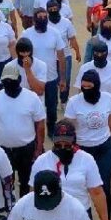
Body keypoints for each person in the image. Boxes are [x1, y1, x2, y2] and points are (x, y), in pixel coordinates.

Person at [29, 120, 110, 220]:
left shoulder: (86, 160)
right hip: (50, 218)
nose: (62, 148)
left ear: (74, 141)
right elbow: (33, 194)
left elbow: (97, 193)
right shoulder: (41, 161)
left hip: (80, 217)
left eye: (67, 145)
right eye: (58, 145)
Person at [0, 63, 45, 199]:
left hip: (26, 149)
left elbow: (40, 124)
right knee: (5, 182)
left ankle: (22, 206)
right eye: (6, 81)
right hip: (3, 150)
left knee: (25, 182)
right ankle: (8, 207)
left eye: (12, 80)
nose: (9, 83)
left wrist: (39, 147)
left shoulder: (32, 98)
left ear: (19, 79)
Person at [65, 70, 111, 220]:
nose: (86, 90)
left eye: (90, 86)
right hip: (82, 149)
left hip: (104, 148)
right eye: (83, 87)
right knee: (80, 188)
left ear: (97, 86)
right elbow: (69, 128)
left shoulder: (108, 99)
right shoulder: (74, 102)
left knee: (104, 186)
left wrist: (108, 139)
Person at [3, 170, 96, 220]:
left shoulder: (76, 210)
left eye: (50, 200)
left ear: (60, 190)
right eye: (43, 200)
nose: (47, 207)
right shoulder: (22, 206)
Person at [22, 8, 67, 137]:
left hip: (51, 77)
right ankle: (34, 131)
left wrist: (62, 78)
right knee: (33, 106)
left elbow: (61, 57)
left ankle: (51, 130)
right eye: (40, 17)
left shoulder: (55, 33)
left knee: (52, 107)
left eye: (44, 17)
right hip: (33, 78)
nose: (43, 19)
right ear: (34, 19)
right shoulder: (26, 34)